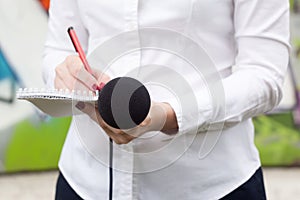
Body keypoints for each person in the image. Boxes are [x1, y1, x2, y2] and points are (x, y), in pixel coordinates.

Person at [43, 0, 290, 199]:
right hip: (85, 184)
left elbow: (263, 74)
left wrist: (170, 115)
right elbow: (58, 50)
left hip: (210, 187)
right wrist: (68, 75)